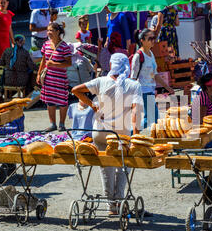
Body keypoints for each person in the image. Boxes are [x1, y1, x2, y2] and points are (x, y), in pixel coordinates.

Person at [71, 53, 143, 215]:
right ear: (127, 65)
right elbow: (136, 113)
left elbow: (75, 90)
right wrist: (136, 137)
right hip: (120, 135)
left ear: (111, 66)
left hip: (100, 133)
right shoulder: (133, 85)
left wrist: (93, 106)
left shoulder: (100, 81)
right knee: (123, 165)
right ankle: (119, 200)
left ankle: (110, 204)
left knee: (105, 167)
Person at [131, 29, 175, 129]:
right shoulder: (138, 56)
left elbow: (155, 74)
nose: (153, 41)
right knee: (153, 119)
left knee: (151, 119)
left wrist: (168, 88)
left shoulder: (151, 53)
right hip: (143, 90)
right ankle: (129, 133)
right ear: (142, 40)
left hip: (150, 90)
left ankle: (131, 134)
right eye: (150, 38)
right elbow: (133, 78)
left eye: (154, 38)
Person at [36, 23, 73, 132]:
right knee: (50, 101)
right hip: (49, 78)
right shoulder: (46, 45)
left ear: (58, 32)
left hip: (60, 79)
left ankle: (62, 124)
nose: (48, 33)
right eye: (48, 30)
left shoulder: (64, 46)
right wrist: (39, 74)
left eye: (51, 30)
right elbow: (43, 60)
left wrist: (55, 64)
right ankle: (53, 124)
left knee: (62, 102)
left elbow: (68, 63)